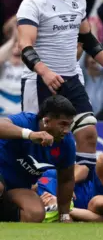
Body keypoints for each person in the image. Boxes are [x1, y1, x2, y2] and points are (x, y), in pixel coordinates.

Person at [16, 0, 103, 170]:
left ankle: (83, 195)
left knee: (89, 134)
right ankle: (42, 194)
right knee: (41, 142)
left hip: (71, 78)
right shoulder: (33, 2)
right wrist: (45, 72)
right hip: (40, 82)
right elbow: (25, 46)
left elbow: (87, 38)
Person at [0, 95, 76, 223]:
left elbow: (66, 180)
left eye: (69, 125)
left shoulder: (66, 143)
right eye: (63, 124)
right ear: (46, 121)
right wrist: (29, 135)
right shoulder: (26, 121)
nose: (67, 131)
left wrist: (64, 216)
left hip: (16, 189)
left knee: (35, 214)